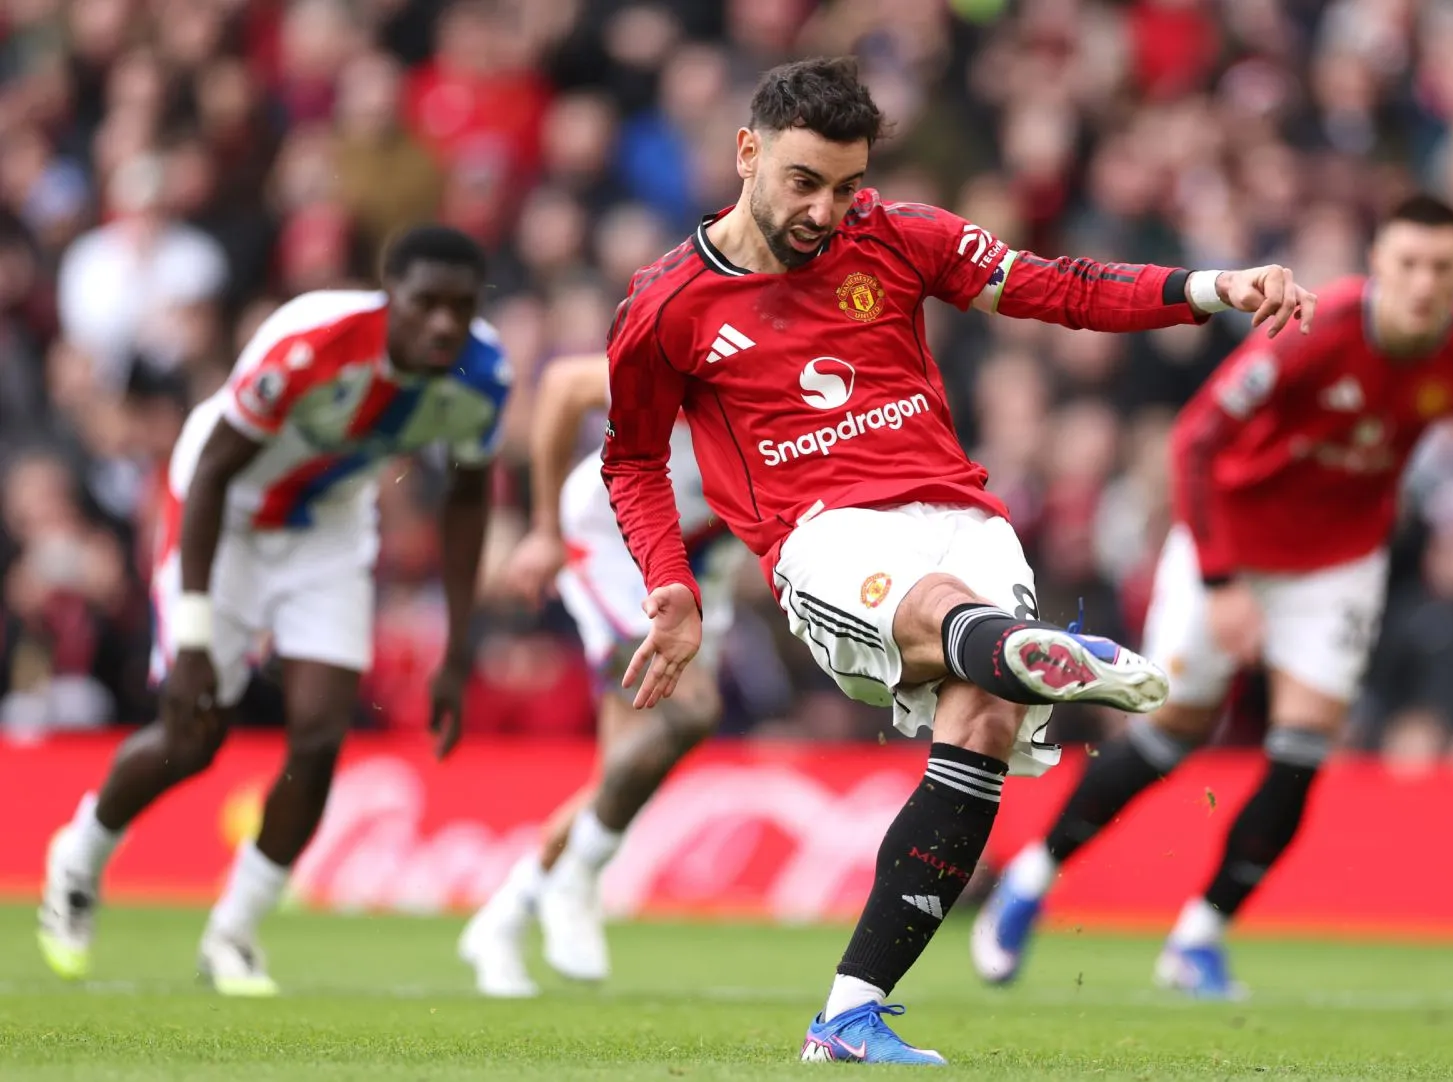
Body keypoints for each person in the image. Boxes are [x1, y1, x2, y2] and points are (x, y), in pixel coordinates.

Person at [601, 56, 1314, 1065]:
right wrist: (671, 586)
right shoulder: (668, 303)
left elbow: (1058, 288)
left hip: (960, 512)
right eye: (805, 182)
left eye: (846, 186)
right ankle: (1029, 650)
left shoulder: (897, 235)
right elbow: (631, 458)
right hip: (823, 535)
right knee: (946, 616)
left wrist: (1209, 286)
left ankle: (848, 1014)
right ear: (748, 153)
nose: (826, 210)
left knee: (978, 721)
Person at [972, 194, 1453, 999]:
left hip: (1338, 564)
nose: (1423, 284)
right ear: (1376, 266)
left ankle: (1199, 937)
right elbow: (1196, 440)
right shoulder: (1318, 335)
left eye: (1441, 268)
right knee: (1175, 730)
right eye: (1408, 265)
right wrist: (1220, 582)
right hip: (1231, 546)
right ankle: (1031, 877)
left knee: (1304, 745)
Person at [37, 226, 508, 996]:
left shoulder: (484, 376)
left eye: (461, 308)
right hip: (224, 513)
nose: (445, 326)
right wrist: (189, 635)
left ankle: (234, 935)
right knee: (194, 735)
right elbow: (215, 471)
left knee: (321, 737)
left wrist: (458, 647)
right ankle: (80, 856)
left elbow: (465, 500)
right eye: (426, 306)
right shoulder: (311, 341)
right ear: (389, 297)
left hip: (326, 527)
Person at [457, 353, 738, 997]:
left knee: (624, 773)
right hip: (617, 534)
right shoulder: (717, 358)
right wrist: (545, 531)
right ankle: (574, 883)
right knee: (691, 710)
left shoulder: (826, 386)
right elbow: (561, 385)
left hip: (703, 557)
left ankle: (506, 914)